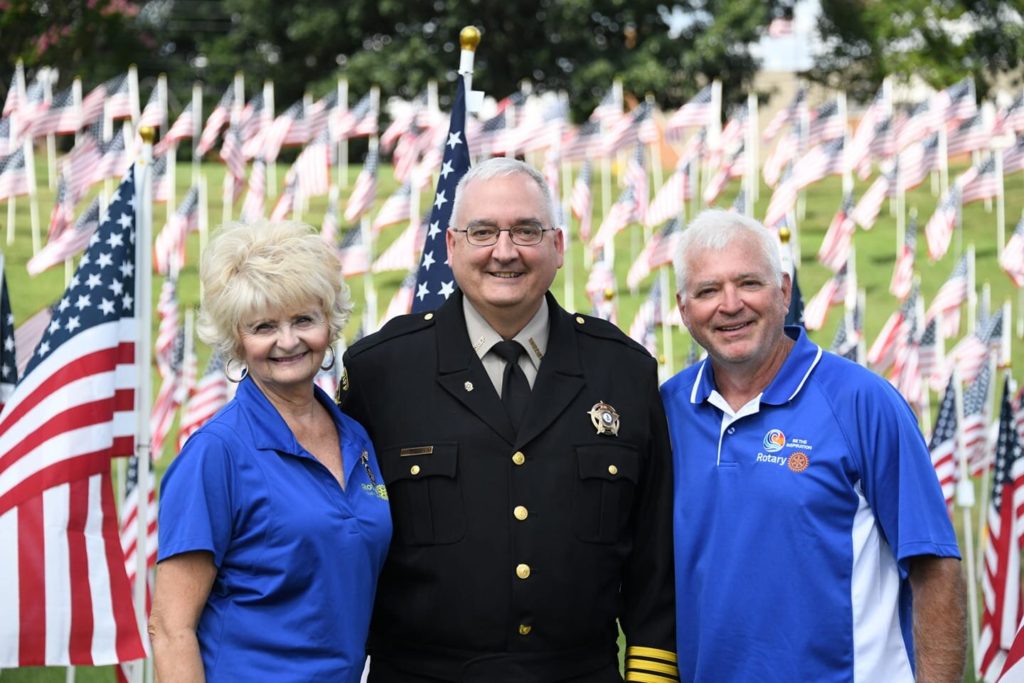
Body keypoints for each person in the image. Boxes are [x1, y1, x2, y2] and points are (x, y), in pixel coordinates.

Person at [339, 157, 678, 682]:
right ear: (451, 247)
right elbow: (343, 549)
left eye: (526, 231)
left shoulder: (623, 372)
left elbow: (654, 562)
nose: (505, 251)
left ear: (558, 246)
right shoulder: (380, 373)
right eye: (482, 232)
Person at [661, 209, 967, 682]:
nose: (730, 305)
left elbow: (934, 567)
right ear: (683, 309)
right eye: (707, 291)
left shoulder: (862, 402)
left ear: (784, 291)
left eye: (749, 283)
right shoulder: (668, 410)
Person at [149, 220, 391, 682]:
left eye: (303, 319)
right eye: (264, 326)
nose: (288, 341)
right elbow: (170, 628)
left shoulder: (357, 437)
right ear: (237, 340)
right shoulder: (215, 454)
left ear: (329, 322)